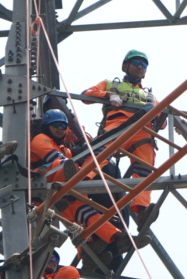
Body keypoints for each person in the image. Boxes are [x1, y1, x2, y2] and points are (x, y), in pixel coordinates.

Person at [29, 107, 130, 265]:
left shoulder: (63, 148)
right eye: (56, 125)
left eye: (63, 126)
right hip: (44, 183)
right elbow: (55, 159)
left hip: (62, 191)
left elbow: (72, 154)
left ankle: (113, 238)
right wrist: (79, 155)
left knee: (86, 213)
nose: (60, 129)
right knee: (66, 164)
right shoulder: (41, 139)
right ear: (47, 126)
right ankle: (75, 182)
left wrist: (82, 148)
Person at [82, 50, 161, 224]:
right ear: (126, 66)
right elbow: (86, 95)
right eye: (136, 63)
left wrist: (156, 111)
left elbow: (162, 123)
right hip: (117, 126)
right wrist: (108, 95)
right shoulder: (111, 84)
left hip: (142, 131)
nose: (140, 67)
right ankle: (79, 182)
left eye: (144, 65)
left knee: (145, 168)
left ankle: (142, 209)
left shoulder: (149, 96)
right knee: (100, 154)